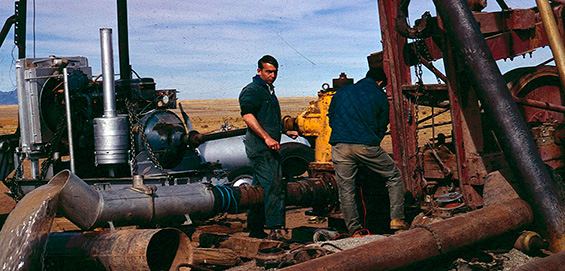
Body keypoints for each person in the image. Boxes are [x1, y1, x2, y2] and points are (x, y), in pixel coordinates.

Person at [328, 66, 409, 235]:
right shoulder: (380, 96)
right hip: (365, 146)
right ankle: (397, 219)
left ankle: (355, 230)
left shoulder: (343, 91)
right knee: (394, 176)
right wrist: (371, 141)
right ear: (379, 82)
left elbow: (331, 117)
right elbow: (382, 126)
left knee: (346, 190)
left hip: (339, 146)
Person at [238, 55, 298, 240]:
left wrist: (285, 131)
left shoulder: (268, 91)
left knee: (259, 188)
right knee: (274, 185)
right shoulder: (253, 90)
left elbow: (267, 118)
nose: (272, 75)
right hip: (261, 147)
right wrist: (267, 138)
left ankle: (255, 229)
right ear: (259, 71)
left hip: (267, 146)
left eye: (275, 72)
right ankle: (275, 229)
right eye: (268, 71)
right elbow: (248, 116)